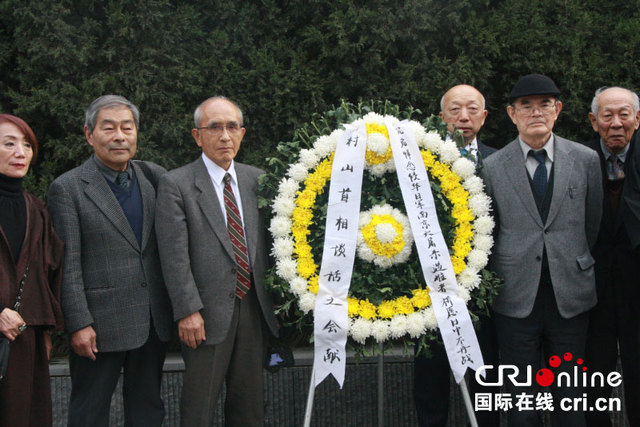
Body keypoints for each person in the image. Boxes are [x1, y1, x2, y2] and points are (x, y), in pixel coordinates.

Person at [481, 74, 602, 426]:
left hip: (571, 293)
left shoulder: (585, 160)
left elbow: (592, 222)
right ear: (511, 113)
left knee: (570, 395)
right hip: (516, 295)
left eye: (544, 105)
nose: (537, 113)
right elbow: (492, 228)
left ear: (558, 110)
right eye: (526, 106)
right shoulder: (492, 167)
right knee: (521, 399)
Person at [47, 95, 173, 426]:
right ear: (89, 134)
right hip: (98, 326)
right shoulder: (68, 188)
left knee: (148, 409)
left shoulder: (153, 178)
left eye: (127, 127)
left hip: (150, 320)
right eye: (109, 128)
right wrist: (78, 323)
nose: (119, 136)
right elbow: (68, 264)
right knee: (89, 411)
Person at [155, 96, 278, 426]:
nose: (225, 136)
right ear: (197, 135)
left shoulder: (258, 180)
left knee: (250, 407)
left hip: (253, 307)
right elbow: (173, 253)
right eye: (215, 127)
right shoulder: (176, 184)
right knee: (199, 407)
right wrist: (186, 310)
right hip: (204, 314)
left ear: (242, 133)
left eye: (232, 127)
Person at [414, 84, 499, 427]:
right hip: (431, 297)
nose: (463, 117)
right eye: (454, 110)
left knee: (487, 386)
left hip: (485, 298)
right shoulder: (418, 165)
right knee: (430, 387)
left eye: (472, 109)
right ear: (441, 118)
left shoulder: (502, 161)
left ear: (485, 116)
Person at [0, 113, 64, 426]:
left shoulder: (36, 209)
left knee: (22, 414)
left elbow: (48, 271)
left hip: (23, 335)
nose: (20, 152)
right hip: (5, 322)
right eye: (8, 143)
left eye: (26, 145)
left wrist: (46, 330)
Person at [583, 86, 640, 426]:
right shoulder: (580, 159)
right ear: (594, 121)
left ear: (637, 119)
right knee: (595, 380)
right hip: (593, 291)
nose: (616, 123)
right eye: (607, 115)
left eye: (624, 114)